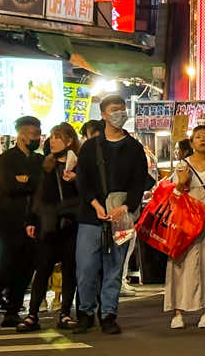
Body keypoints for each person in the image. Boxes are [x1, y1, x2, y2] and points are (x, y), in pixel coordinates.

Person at [76, 95, 153, 335]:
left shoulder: (134, 147)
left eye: (122, 109)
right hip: (91, 216)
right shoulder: (91, 147)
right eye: (114, 110)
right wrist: (96, 205)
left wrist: (126, 206)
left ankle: (108, 314)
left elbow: (139, 181)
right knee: (86, 267)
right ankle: (85, 312)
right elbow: (82, 180)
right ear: (104, 115)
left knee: (114, 267)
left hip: (122, 216)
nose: (119, 113)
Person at [0, 116, 43, 332]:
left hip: (33, 223)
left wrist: (27, 181)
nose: (36, 138)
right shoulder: (7, 159)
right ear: (21, 134)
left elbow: (40, 187)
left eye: (38, 134)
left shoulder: (38, 160)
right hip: (9, 223)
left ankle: (12, 311)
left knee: (25, 269)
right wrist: (27, 183)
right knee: (2, 268)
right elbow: (10, 187)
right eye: (33, 134)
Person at [21, 123, 80, 332]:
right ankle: (32, 314)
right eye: (52, 137)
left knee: (69, 270)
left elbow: (87, 194)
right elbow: (36, 196)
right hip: (48, 224)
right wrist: (31, 220)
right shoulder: (45, 165)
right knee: (43, 269)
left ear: (70, 141)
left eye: (58, 137)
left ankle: (65, 312)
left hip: (70, 223)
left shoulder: (77, 165)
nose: (52, 141)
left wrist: (76, 178)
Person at [166, 124, 205, 328]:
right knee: (179, 262)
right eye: (198, 137)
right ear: (192, 142)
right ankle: (177, 311)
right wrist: (181, 182)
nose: (202, 139)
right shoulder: (183, 165)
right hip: (184, 219)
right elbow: (173, 193)